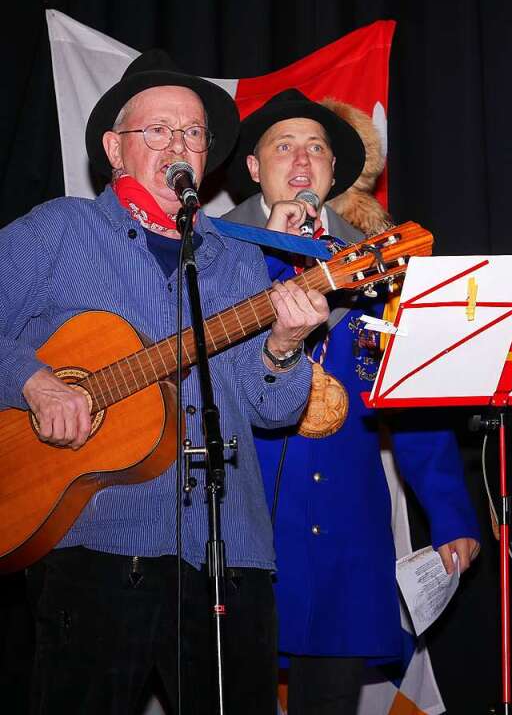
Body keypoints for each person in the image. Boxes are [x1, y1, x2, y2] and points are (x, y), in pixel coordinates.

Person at [0, 50, 329, 714]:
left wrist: (285, 349)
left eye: (194, 133)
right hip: (91, 548)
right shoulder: (61, 230)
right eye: (159, 130)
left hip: (229, 556)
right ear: (115, 148)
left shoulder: (239, 257)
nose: (179, 144)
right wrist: (33, 381)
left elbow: (269, 408)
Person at [223, 89, 481, 715]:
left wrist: (449, 513)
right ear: (255, 169)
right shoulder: (217, 254)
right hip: (245, 528)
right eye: (284, 147)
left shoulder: (379, 268)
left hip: (347, 530)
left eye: (317, 149)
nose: (303, 161)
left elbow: (411, 398)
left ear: (335, 172)